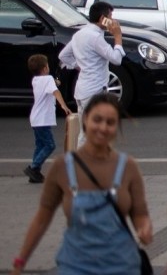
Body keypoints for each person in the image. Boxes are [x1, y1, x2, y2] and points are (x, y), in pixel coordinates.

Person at [12, 94, 153, 275]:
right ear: (86, 120)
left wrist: (144, 228)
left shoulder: (128, 167)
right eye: (97, 120)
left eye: (110, 122)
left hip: (122, 265)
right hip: (76, 266)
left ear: (116, 127)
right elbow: (42, 219)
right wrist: (20, 261)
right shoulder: (63, 167)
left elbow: (140, 214)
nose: (103, 127)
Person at [60, 1, 126, 119]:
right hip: (94, 92)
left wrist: (79, 65)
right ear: (102, 18)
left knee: (85, 133)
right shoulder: (95, 37)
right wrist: (118, 36)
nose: (112, 20)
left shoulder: (79, 34)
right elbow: (116, 59)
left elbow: (63, 55)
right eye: (110, 17)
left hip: (81, 91)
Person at [25, 54, 70, 184]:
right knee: (50, 145)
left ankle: (35, 173)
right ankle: (33, 167)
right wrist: (63, 105)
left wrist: (55, 82)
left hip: (35, 118)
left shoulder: (36, 80)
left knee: (40, 145)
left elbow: (49, 84)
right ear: (45, 68)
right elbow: (55, 92)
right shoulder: (48, 79)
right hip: (43, 119)